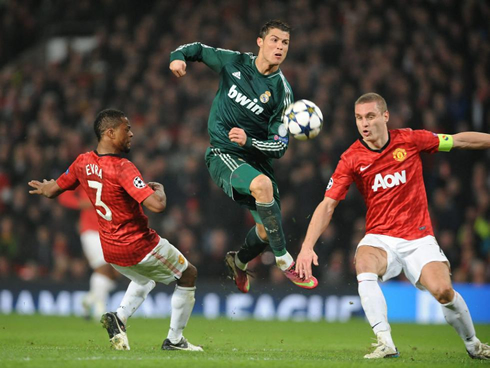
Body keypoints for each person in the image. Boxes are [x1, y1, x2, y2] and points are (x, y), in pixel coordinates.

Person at [295, 92, 490, 360]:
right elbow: (327, 204)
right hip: (380, 237)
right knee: (364, 262)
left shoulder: (409, 140)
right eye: (359, 118)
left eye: (370, 116)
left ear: (385, 116)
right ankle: (385, 342)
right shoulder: (351, 158)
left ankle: (473, 344)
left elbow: (458, 141)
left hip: (419, 238)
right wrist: (307, 246)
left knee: (443, 292)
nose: (364, 123)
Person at [28, 109, 203, 352]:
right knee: (188, 274)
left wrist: (45, 187)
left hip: (111, 250)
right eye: (126, 129)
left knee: (144, 279)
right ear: (110, 133)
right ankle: (175, 340)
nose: (131, 134)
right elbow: (157, 205)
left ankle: (118, 318)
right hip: (140, 245)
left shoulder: (82, 162)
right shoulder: (123, 168)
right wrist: (160, 190)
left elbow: (53, 190)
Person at [169, 19, 318, 293]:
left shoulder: (282, 92)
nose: (280, 46)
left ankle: (238, 262)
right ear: (260, 42)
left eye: (285, 43)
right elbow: (196, 49)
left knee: (265, 230)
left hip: (255, 160)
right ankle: (285, 261)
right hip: (222, 152)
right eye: (274, 40)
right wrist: (177, 58)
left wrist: (250, 140)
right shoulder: (233, 62)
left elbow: (280, 147)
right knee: (262, 188)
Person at [58, 187, 119, 320]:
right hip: (91, 230)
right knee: (103, 267)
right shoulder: (86, 172)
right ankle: (100, 310)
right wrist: (81, 203)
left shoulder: (113, 175)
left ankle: (88, 300)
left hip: (110, 230)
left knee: (115, 272)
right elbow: (64, 196)